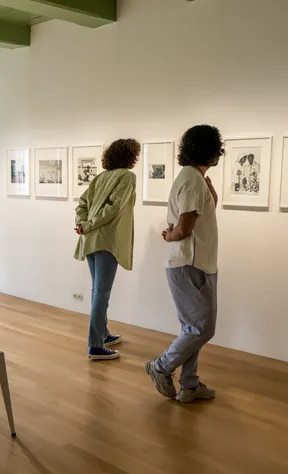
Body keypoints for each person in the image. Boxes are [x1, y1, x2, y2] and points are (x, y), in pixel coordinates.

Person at [145, 125, 223, 402]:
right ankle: (160, 366)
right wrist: (171, 236)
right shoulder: (191, 179)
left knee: (192, 328)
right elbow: (186, 227)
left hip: (197, 262)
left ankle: (189, 385)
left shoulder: (195, 178)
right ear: (213, 150)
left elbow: (201, 213)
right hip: (191, 263)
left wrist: (210, 189)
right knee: (203, 328)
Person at [74, 139, 141, 360]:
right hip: (106, 241)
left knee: (97, 290)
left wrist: (82, 223)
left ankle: (103, 333)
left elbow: (81, 204)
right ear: (130, 156)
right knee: (101, 292)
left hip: (91, 240)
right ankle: (95, 346)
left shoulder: (100, 177)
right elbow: (114, 209)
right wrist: (89, 224)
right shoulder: (128, 177)